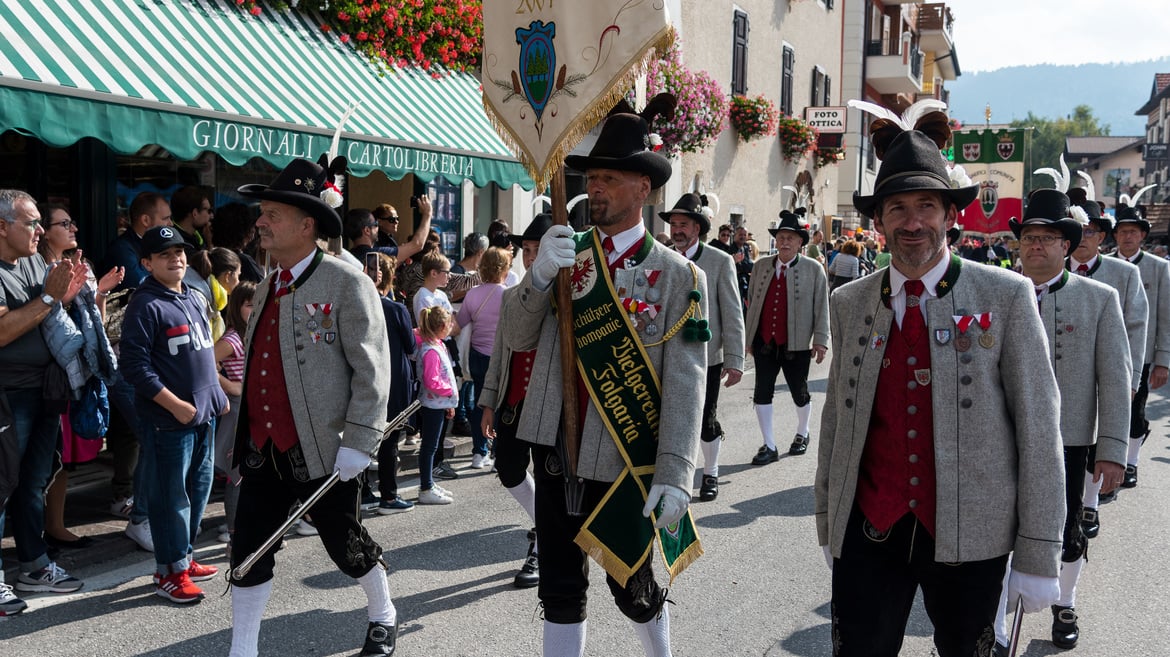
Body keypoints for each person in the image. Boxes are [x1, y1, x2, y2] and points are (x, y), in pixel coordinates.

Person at [816, 118, 1066, 657]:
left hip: (973, 533)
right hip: (869, 528)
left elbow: (1040, 431)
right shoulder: (849, 301)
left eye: (926, 206)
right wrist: (828, 518)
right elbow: (837, 419)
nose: (913, 222)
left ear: (951, 216)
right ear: (878, 220)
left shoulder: (1006, 296)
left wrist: (1039, 550)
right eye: (898, 208)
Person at [497, 99, 708, 656]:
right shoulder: (567, 255)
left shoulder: (677, 275)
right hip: (554, 446)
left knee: (633, 590)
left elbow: (687, 383)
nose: (596, 189)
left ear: (644, 187)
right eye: (591, 178)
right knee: (560, 589)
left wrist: (676, 472)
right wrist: (539, 276)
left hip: (622, 456)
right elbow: (517, 335)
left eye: (610, 179)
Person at [226, 157, 399, 657]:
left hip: (325, 446)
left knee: (345, 545)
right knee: (250, 549)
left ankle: (383, 613)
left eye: (272, 214)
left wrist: (361, 440)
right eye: (262, 213)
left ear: (307, 224)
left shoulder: (348, 282)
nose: (261, 222)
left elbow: (372, 369)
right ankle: (244, 648)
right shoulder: (266, 285)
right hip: (263, 448)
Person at [993, 189, 1129, 652]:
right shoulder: (991, 290)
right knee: (995, 529)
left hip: (1069, 441)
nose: (1036, 245)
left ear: (1067, 246)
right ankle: (992, 623)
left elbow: (1115, 378)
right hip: (998, 437)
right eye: (1029, 236)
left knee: (1066, 529)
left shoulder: (1100, 299)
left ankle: (1064, 602)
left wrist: (1112, 449)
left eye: (1049, 238)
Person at [118, 225, 228, 603]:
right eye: (165, 254)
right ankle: (169, 572)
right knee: (170, 500)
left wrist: (215, 392)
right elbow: (134, 367)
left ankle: (184, 557)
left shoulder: (195, 297)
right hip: (168, 421)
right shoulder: (145, 304)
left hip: (204, 415)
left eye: (179, 252)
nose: (176, 258)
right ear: (147, 263)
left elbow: (204, 352)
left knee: (198, 492)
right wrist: (175, 405)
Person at [0, 190, 90, 616]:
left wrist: (70, 294)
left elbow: (48, 312)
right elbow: (2, 331)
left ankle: (34, 564)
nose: (39, 231)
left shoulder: (35, 260)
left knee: (34, 481)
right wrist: (51, 298)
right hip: (8, 393)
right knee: (1, 486)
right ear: (2, 227)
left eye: (40, 222)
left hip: (45, 388)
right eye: (30, 223)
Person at [36, 203, 122, 550]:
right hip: (49, 373)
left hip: (77, 373)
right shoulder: (37, 268)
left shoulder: (79, 267)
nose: (73, 228)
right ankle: (42, 528)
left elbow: (95, 324)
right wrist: (65, 299)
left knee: (62, 458)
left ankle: (54, 524)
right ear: (45, 230)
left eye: (72, 221)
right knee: (44, 457)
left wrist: (98, 291)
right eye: (64, 223)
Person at [481, 213, 555, 589]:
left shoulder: (568, 300)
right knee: (508, 469)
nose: (530, 257)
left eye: (538, 250)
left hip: (548, 405)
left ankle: (543, 547)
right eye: (526, 250)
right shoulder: (510, 295)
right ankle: (544, 524)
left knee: (548, 475)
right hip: (513, 399)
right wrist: (489, 401)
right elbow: (499, 352)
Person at [1066, 197, 1147, 518]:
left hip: (1109, 373)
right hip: (1067, 375)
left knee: (1098, 442)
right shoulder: (1047, 272)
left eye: (1090, 232)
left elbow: (1136, 330)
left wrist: (1131, 380)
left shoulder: (1123, 274)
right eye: (1077, 231)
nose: (1082, 238)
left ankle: (1089, 504)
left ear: (1101, 237)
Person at [663, 193, 745, 501]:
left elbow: (733, 312)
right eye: (673, 224)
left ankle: (710, 473)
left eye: (683, 224)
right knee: (669, 418)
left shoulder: (719, 261)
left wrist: (734, 358)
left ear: (697, 228)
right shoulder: (662, 256)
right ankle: (671, 476)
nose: (677, 230)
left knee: (705, 420)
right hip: (666, 354)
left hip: (706, 358)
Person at [744, 210, 829, 464]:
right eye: (781, 237)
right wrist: (748, 339)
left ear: (800, 242)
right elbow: (753, 304)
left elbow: (821, 306)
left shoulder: (814, 269)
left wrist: (821, 340)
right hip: (764, 342)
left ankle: (803, 433)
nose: (785, 242)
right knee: (762, 392)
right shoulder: (760, 266)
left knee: (799, 392)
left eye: (791, 238)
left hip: (797, 343)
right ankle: (769, 445)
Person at [1109, 199, 1170, 491]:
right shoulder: (1105, 264)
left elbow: (1165, 317)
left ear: (1143, 235)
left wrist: (1163, 360)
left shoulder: (1158, 268)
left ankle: (1131, 462)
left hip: (1141, 355)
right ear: (1115, 235)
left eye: (1134, 231)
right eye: (1123, 231)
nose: (1128, 237)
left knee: (1136, 411)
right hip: (1107, 353)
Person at [368, 252, 415, 514]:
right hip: (393, 380)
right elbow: (410, 346)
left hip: (365, 378)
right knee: (389, 440)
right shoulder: (395, 309)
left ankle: (364, 492)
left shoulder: (358, 304)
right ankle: (389, 495)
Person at [456, 246, 511, 470]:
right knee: (500, 405)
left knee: (480, 403)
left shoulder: (473, 294)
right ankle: (498, 452)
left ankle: (479, 452)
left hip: (478, 356)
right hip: (501, 357)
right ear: (504, 268)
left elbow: (458, 325)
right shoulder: (509, 293)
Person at [213, 280, 256, 545]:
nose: (255, 309)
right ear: (237, 306)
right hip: (238, 411)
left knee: (253, 472)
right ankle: (234, 536)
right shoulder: (233, 338)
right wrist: (230, 386)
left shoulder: (255, 332)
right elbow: (206, 360)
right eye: (250, 305)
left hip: (254, 409)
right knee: (238, 474)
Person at [415, 305, 460, 505]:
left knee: (432, 446)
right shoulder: (431, 350)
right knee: (429, 447)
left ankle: (429, 483)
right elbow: (432, 380)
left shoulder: (437, 345)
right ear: (442, 326)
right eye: (450, 323)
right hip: (432, 405)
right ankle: (426, 487)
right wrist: (449, 392)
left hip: (438, 405)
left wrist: (448, 403)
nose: (452, 325)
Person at [347, 204, 433, 266]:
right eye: (376, 224)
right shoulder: (377, 255)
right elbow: (417, 244)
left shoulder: (348, 257)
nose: (378, 228)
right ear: (367, 230)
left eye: (397, 219)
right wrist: (427, 214)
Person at [210, 202, 264, 283]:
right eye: (250, 226)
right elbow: (263, 289)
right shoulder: (244, 261)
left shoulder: (210, 257)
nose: (254, 230)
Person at [170, 186, 212, 250]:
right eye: (208, 211)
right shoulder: (178, 243)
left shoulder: (199, 235)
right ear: (195, 213)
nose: (211, 215)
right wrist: (210, 244)